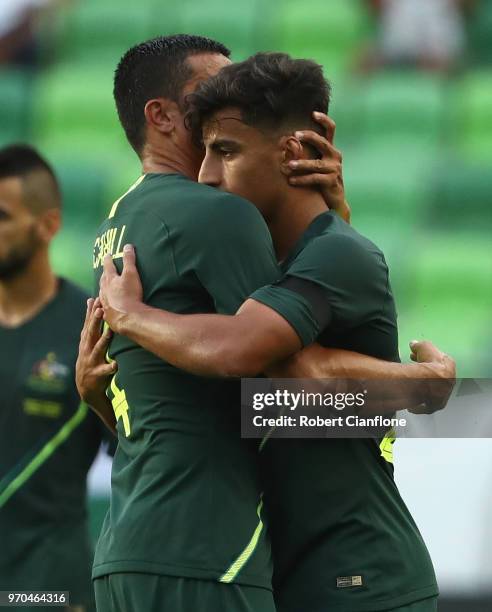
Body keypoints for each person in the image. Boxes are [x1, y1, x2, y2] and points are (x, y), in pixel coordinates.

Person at [93, 53, 456, 612]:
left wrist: (133, 318)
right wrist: (107, 394)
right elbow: (232, 408)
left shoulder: (336, 254)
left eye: (227, 152)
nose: (207, 174)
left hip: (360, 575)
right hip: (290, 572)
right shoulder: (278, 263)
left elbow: (280, 372)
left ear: (290, 152)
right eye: (207, 148)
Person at [0, 144, 112, 612]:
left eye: (1, 216)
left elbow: (137, 451)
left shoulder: (88, 327)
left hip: (47, 588)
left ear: (47, 226)